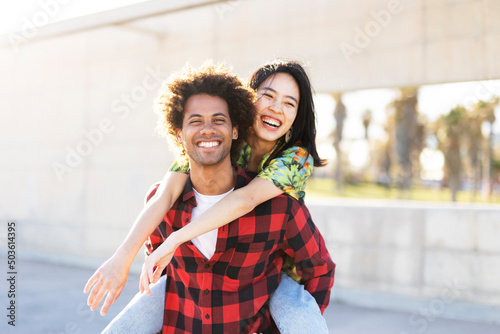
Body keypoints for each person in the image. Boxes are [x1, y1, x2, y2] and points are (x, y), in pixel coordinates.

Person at [85, 60, 334, 333]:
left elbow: (246, 200)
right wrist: (123, 257)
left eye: (290, 103)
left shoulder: (295, 158)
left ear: (297, 116)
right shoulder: (217, 139)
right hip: (207, 279)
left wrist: (175, 239)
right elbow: (165, 194)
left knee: (304, 322)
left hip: (274, 270)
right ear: (249, 100)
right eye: (268, 96)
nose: (276, 108)